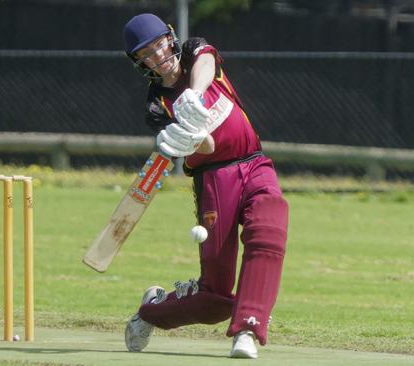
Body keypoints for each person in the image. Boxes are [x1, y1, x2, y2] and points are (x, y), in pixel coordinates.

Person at [122, 14, 289, 358]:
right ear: (140, 63)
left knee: (269, 229)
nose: (157, 56)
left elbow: (207, 62)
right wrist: (194, 136)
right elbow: (208, 149)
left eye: (159, 45)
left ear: (170, 38)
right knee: (214, 298)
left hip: (254, 161)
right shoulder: (156, 106)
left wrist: (194, 97)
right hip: (214, 180)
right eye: (146, 54)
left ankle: (247, 328)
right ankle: (150, 312)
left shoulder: (194, 51)